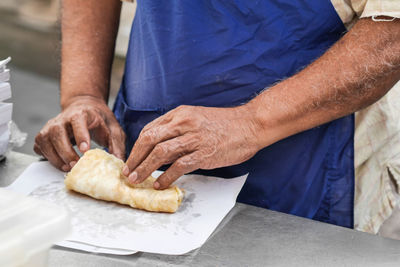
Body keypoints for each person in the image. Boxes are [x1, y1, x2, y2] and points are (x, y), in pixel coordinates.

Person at [34, 0, 400, 228]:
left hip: (309, 167)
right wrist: (83, 93)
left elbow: (392, 34)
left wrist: (251, 122)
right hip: (146, 146)